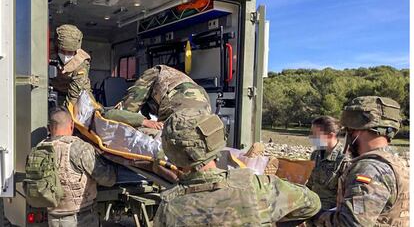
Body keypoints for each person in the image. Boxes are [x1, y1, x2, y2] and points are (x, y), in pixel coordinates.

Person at [153, 108, 321, 226]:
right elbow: (312, 204)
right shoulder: (257, 186)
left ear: (171, 151)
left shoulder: (169, 206)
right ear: (216, 140)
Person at [313, 96, 409, 226]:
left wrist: (315, 216)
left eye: (348, 132)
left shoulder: (369, 169)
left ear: (355, 132)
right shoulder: (398, 162)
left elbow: (351, 223)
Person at [46, 107, 117, 227]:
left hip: (53, 217)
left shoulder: (40, 149)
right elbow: (107, 179)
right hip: (80, 218)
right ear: (72, 125)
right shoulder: (79, 148)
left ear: (49, 128)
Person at [104, 65, 211, 130]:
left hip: (178, 102)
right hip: (204, 103)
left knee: (165, 138)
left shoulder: (152, 75)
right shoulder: (172, 76)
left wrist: (144, 122)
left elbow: (126, 111)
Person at [307, 116, 349, 210]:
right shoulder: (315, 155)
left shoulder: (344, 159)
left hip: (330, 213)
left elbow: (346, 195)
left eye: (315, 135)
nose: (311, 137)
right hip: (312, 207)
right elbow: (310, 184)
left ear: (330, 136)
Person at [50, 24, 93, 107]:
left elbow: (74, 94)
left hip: (79, 96)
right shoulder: (51, 53)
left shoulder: (81, 63)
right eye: (62, 51)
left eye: (70, 52)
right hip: (57, 92)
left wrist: (68, 110)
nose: (66, 56)